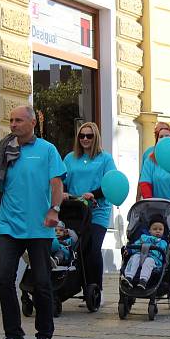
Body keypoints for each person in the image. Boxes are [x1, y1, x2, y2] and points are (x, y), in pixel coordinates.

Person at [0, 105, 64, 339]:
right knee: (3, 278)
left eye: (18, 120)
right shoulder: (4, 150)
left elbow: (56, 183)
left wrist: (54, 210)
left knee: (42, 283)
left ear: (32, 123)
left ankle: (44, 336)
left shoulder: (47, 150)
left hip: (39, 228)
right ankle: (13, 336)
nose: (13, 125)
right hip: (9, 226)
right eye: (10, 120)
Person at [62, 122, 117, 294]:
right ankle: (73, 283)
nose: (85, 139)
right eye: (82, 136)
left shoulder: (105, 158)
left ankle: (95, 288)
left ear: (96, 138)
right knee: (74, 247)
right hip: (74, 210)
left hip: (97, 209)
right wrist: (62, 192)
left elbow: (111, 183)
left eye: (89, 136)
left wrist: (93, 193)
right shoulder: (70, 158)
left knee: (92, 247)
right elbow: (61, 181)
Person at [138, 127, 170, 301]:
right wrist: (151, 202)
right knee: (153, 249)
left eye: (168, 136)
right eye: (161, 137)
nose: (164, 139)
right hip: (156, 215)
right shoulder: (150, 161)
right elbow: (145, 183)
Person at [121, 218, 169, 290]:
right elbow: (135, 245)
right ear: (149, 231)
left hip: (154, 260)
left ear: (163, 231)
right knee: (134, 257)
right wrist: (129, 251)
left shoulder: (163, 242)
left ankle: (143, 281)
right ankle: (128, 278)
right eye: (155, 229)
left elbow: (165, 251)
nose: (158, 231)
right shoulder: (143, 238)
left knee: (149, 261)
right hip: (140, 255)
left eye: (160, 229)